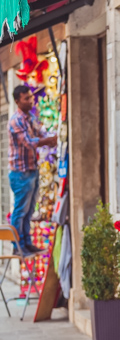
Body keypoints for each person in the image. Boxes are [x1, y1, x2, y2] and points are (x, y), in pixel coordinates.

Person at [7, 85, 56, 254]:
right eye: (26, 98)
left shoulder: (29, 117)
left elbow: (40, 131)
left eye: (30, 97)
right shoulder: (16, 120)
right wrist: (49, 141)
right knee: (20, 211)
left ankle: (26, 243)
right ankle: (17, 246)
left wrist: (52, 136)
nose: (30, 100)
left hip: (31, 170)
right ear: (17, 101)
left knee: (29, 210)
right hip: (21, 173)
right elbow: (28, 142)